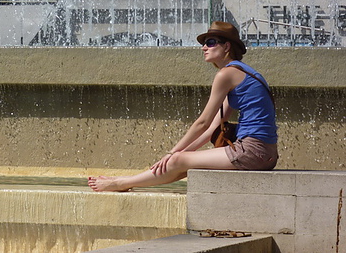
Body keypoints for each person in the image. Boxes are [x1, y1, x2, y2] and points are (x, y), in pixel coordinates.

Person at [88, 21, 278, 192]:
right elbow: (214, 127)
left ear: (226, 46)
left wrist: (172, 152)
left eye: (210, 42)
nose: (204, 47)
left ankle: (122, 184)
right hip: (265, 154)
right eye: (204, 44)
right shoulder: (243, 73)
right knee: (182, 161)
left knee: (177, 160)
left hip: (251, 152)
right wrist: (184, 151)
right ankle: (126, 181)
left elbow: (203, 122)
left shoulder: (226, 75)